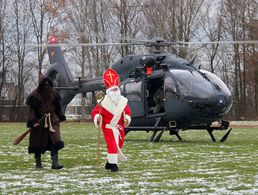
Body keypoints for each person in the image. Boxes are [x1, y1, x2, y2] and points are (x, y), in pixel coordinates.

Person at [92, 68, 132, 172]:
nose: (114, 92)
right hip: (108, 127)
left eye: (116, 90)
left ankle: (109, 163)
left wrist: (126, 120)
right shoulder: (103, 102)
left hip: (119, 128)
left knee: (118, 145)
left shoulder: (123, 101)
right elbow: (96, 112)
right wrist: (98, 117)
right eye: (112, 90)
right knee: (112, 146)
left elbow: (128, 113)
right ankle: (114, 165)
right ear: (109, 92)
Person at [26, 74, 66, 169]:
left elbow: (58, 107)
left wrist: (60, 117)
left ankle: (55, 163)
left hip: (52, 119)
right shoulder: (34, 95)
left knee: (55, 140)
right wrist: (33, 121)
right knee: (37, 141)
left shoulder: (54, 94)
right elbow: (31, 110)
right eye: (44, 84)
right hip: (39, 120)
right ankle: (38, 163)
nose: (46, 86)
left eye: (48, 84)